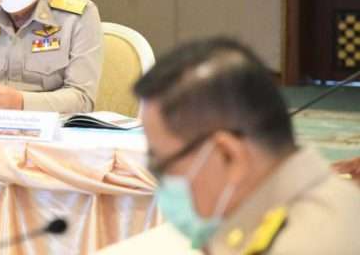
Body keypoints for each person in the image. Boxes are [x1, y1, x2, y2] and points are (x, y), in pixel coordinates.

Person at [118, 37, 360, 254]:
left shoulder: (297, 245)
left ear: (228, 155)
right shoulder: (324, 198)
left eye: (163, 165)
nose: (163, 184)